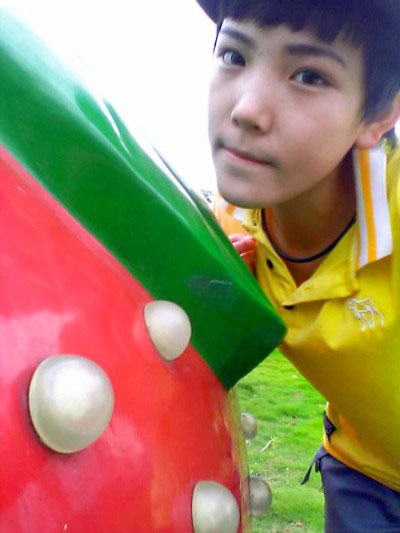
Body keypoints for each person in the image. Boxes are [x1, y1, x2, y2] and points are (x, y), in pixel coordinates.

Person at [196, 0, 400, 530]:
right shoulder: (227, 232)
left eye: (310, 76)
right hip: (365, 478)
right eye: (234, 55)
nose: (247, 110)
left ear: (380, 114)